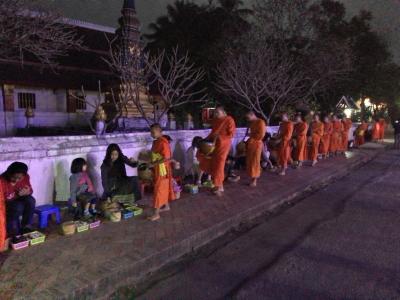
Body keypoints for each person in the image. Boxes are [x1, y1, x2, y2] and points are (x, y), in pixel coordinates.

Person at [206, 106, 236, 196]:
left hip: (224, 145)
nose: (215, 114)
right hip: (215, 145)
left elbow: (231, 134)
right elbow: (213, 133)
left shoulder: (229, 120)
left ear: (223, 113)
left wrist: (220, 137)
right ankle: (220, 185)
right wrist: (206, 139)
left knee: (219, 165)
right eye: (215, 113)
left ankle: (218, 186)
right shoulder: (215, 121)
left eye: (217, 113)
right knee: (215, 165)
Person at [0, 162, 35, 237]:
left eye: (19, 178)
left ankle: (26, 226)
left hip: (19, 199)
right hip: (7, 204)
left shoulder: (25, 177)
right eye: (13, 177)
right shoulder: (1, 181)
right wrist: (17, 195)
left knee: (31, 200)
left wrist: (28, 191)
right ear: (9, 173)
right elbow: (2, 201)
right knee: (18, 207)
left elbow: (30, 189)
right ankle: (12, 230)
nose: (16, 180)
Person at [148, 123, 175, 221]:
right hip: (157, 168)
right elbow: (153, 154)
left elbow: (166, 158)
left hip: (162, 169)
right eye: (150, 132)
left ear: (160, 132)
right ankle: (166, 206)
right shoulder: (156, 142)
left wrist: (153, 164)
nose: (151, 134)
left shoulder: (163, 142)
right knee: (162, 188)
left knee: (158, 190)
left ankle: (156, 214)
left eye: (153, 132)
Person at [245, 111, 266, 187]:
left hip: (256, 144)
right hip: (251, 144)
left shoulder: (261, 122)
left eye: (248, 118)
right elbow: (249, 133)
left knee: (255, 162)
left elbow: (261, 135)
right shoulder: (251, 123)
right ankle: (253, 177)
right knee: (251, 162)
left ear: (252, 115)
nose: (247, 119)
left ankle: (254, 180)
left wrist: (251, 135)